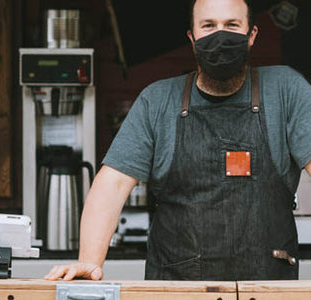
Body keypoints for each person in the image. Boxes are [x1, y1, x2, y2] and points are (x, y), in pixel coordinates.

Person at [45, 0, 311, 281]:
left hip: (267, 289)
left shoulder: (286, 91)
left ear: (252, 35)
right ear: (192, 38)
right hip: (175, 289)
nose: (220, 35)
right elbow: (113, 184)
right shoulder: (158, 101)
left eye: (231, 25)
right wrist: (89, 261)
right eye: (208, 26)